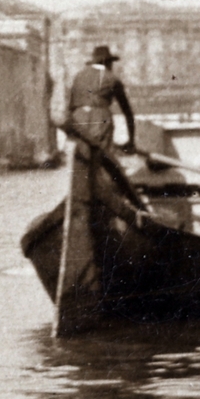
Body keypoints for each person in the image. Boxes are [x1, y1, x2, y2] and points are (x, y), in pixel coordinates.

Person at [55, 45, 145, 314]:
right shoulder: (112, 79)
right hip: (101, 120)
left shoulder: (78, 76)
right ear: (107, 63)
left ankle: (88, 197)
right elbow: (127, 112)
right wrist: (130, 141)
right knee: (104, 166)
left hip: (78, 122)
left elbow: (71, 108)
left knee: (85, 167)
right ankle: (109, 199)